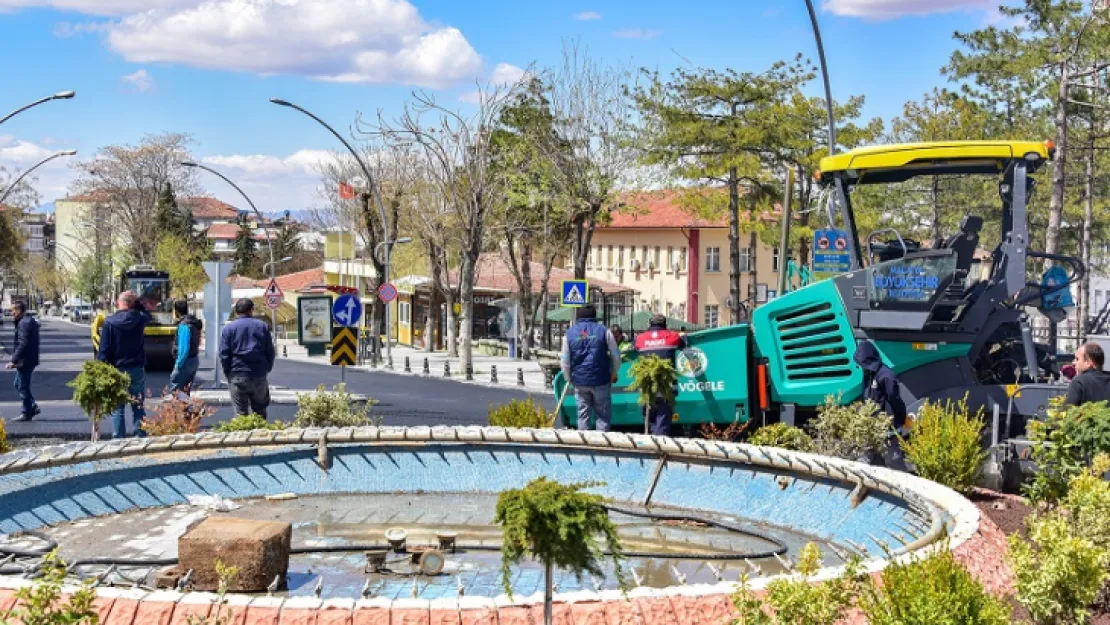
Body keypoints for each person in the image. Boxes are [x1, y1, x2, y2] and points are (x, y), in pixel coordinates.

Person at [97, 291, 151, 438]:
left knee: (117, 407)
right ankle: (140, 436)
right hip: (136, 367)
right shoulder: (140, 319)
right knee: (138, 405)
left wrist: (99, 370)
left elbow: (104, 349)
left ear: (117, 303)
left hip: (117, 369)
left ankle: (118, 439)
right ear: (133, 303)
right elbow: (148, 315)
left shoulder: (109, 322)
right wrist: (138, 303)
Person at [560, 305, 621, 432]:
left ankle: (584, 446)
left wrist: (568, 378)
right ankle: (602, 446)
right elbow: (616, 355)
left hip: (580, 381)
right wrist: (613, 373)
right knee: (603, 416)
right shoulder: (604, 331)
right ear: (594, 316)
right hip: (601, 380)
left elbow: (565, 360)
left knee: (583, 416)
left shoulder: (569, 334)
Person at [853, 340, 908, 470]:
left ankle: (901, 485)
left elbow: (894, 400)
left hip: (887, 425)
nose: (861, 367)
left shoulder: (886, 376)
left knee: (893, 459)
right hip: (871, 425)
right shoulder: (868, 374)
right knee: (865, 456)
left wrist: (899, 420)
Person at [220, 298, 276, 419]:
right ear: (252, 310)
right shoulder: (262, 326)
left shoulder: (229, 329)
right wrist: (267, 368)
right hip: (259, 373)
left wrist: (228, 372)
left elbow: (224, 354)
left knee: (241, 413)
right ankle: (261, 435)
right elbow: (270, 351)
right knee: (260, 411)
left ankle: (242, 435)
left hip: (237, 373)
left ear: (236, 311)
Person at [633, 314, 686, 436]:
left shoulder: (640, 338)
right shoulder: (672, 336)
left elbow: (634, 348)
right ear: (665, 324)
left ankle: (651, 447)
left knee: (650, 421)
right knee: (662, 421)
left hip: (647, 387)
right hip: (665, 386)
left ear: (650, 324)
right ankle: (659, 450)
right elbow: (683, 343)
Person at [6, 301, 40, 422]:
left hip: (25, 360)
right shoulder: (28, 321)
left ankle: (26, 412)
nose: (11, 313)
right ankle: (32, 406)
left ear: (19, 310)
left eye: (13, 310)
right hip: (28, 359)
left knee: (22, 386)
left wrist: (13, 360)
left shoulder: (23, 324)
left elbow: (23, 343)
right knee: (18, 384)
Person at [169, 299, 203, 395]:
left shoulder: (184, 325)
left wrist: (179, 364)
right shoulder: (194, 323)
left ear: (176, 311)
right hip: (194, 359)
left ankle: (182, 409)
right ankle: (186, 409)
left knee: (176, 389)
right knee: (185, 390)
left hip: (185, 361)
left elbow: (184, 348)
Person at [1065, 342, 1110, 406]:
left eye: (1077, 359)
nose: (1073, 362)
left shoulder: (1079, 382)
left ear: (1089, 362)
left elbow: (1070, 412)